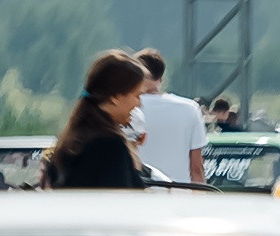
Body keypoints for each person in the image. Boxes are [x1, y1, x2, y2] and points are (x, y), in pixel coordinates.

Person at [40, 51, 148, 190]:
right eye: (137, 95)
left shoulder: (72, 141)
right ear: (116, 97)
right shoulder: (110, 147)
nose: (139, 104)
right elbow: (120, 200)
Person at [132, 48, 208, 184]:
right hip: (179, 193)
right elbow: (197, 168)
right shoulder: (190, 109)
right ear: (161, 78)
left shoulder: (127, 108)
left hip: (139, 191)